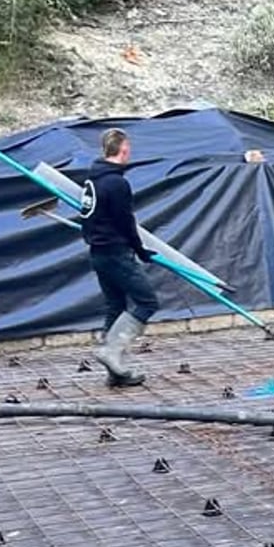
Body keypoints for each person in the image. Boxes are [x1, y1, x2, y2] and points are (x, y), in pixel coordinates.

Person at [80, 127, 159, 386]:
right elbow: (126, 222)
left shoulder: (92, 180)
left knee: (116, 306)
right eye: (129, 149)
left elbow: (87, 218)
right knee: (147, 302)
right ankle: (111, 352)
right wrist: (140, 250)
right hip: (116, 253)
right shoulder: (116, 183)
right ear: (123, 149)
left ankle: (116, 373)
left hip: (98, 253)